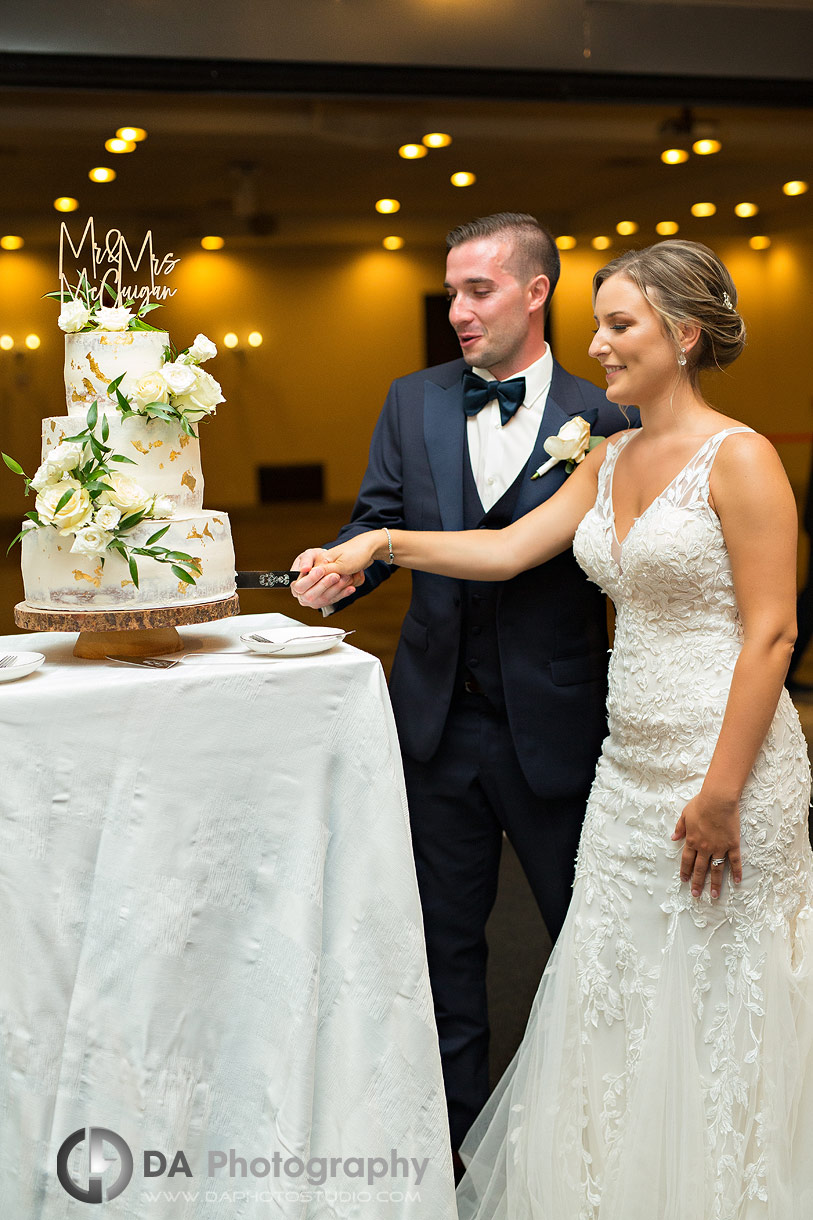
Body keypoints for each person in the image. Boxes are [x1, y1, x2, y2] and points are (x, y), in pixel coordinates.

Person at [318, 240, 813, 1219]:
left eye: (620, 324)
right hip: (625, 776)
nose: (598, 345)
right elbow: (507, 549)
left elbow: (774, 635)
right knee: (613, 995)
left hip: (728, 771)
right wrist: (383, 540)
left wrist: (719, 793)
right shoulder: (611, 451)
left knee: (723, 998)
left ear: (685, 333)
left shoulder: (743, 456)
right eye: (599, 323)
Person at [290, 213, 636, 1159]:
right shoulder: (413, 401)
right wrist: (340, 572)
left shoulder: (608, 411)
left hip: (557, 723)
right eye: (451, 292)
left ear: (536, 292)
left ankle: (593, 1147)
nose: (457, 311)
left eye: (478, 290)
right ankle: (451, 1155)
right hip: (433, 726)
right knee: (442, 953)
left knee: (583, 941)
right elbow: (379, 524)